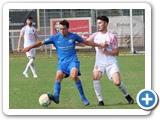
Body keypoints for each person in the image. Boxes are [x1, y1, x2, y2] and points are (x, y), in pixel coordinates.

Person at [22, 20, 108, 106]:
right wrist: (29, 47)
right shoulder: (55, 37)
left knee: (74, 75)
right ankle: (56, 97)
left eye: (64, 29)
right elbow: (41, 43)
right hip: (62, 63)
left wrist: (101, 45)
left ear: (68, 28)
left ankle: (83, 98)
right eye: (60, 29)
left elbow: (87, 42)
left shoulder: (73, 36)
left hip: (72, 61)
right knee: (58, 77)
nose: (62, 31)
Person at [86, 16, 134, 106]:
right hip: (99, 63)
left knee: (117, 82)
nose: (98, 25)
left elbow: (117, 52)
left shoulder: (111, 36)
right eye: (98, 23)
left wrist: (106, 51)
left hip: (111, 63)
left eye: (100, 23)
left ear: (106, 24)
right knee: (95, 76)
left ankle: (127, 95)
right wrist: (73, 41)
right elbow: (85, 42)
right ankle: (100, 101)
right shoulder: (95, 35)